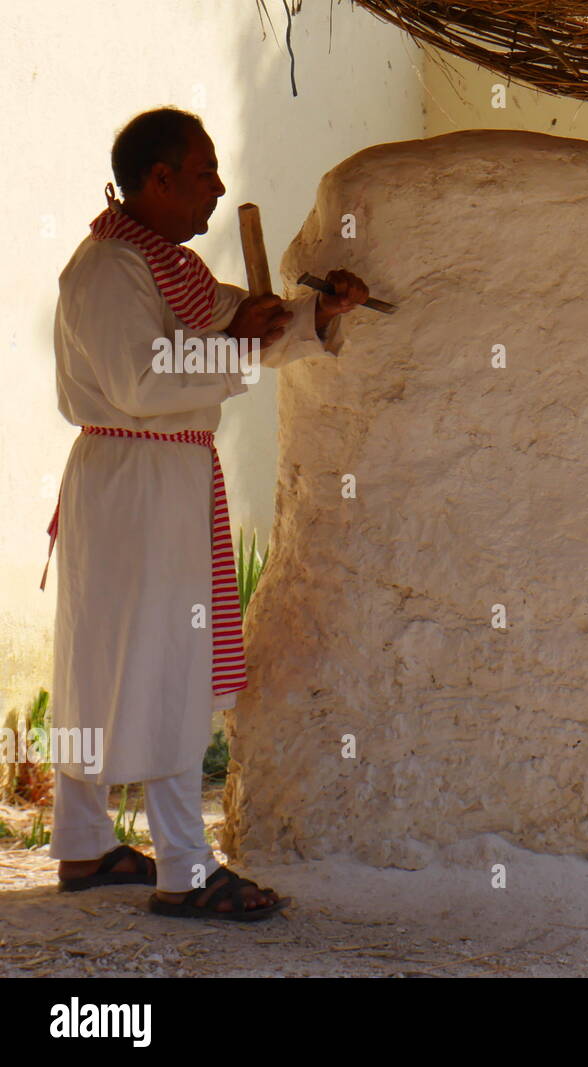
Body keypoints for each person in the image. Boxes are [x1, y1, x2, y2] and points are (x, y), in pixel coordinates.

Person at [44, 107, 368, 921]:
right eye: (204, 172)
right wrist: (240, 344)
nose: (219, 188)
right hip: (137, 477)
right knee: (165, 664)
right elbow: (143, 382)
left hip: (145, 479)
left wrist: (315, 316)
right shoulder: (110, 271)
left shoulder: (164, 269)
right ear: (157, 181)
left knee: (107, 656)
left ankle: (84, 845)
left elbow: (240, 319)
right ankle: (186, 869)